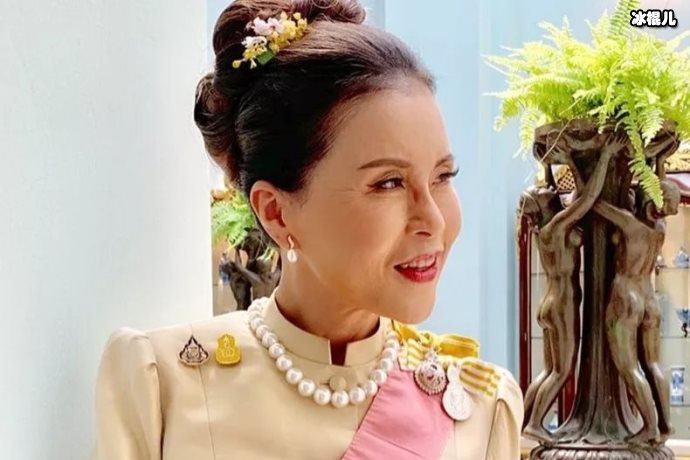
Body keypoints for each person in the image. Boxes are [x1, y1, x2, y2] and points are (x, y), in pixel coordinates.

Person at [91, 1, 523, 459]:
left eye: (443, 176)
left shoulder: (477, 410)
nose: (433, 220)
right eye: (388, 183)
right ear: (276, 213)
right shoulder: (164, 385)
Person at [520, 145, 613, 443]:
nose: (548, 188)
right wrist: (601, 156)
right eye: (543, 191)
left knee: (549, 370)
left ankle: (526, 421)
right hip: (562, 303)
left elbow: (563, 193)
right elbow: (587, 199)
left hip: (551, 302)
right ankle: (535, 424)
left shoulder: (547, 228)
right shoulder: (556, 227)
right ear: (541, 205)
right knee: (562, 372)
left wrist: (550, 161)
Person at [592, 179, 680, 443]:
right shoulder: (660, 228)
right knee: (653, 364)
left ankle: (650, 426)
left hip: (626, 295)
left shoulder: (629, 223)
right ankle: (665, 425)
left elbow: (594, 202)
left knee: (629, 367)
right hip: (649, 297)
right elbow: (658, 182)